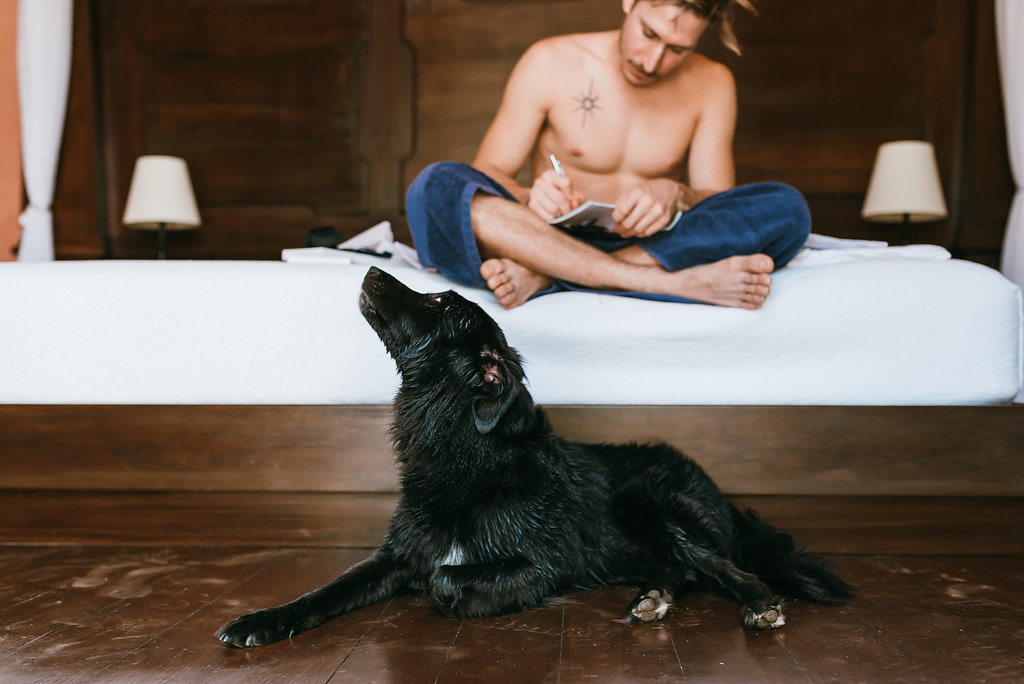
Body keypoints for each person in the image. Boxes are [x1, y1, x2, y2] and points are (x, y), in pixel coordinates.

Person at [405, 0, 810, 310]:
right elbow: (487, 172)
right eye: (649, 34)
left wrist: (678, 194)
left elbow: (717, 203)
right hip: (541, 237)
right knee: (435, 186)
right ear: (629, 1)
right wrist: (532, 197)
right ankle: (662, 284)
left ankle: (550, 277)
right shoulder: (550, 61)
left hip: (655, 244)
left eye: (677, 49)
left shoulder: (713, 83)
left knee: (787, 208)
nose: (652, 63)